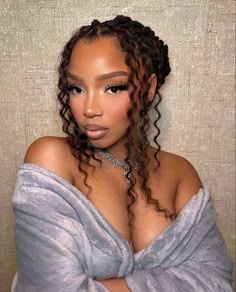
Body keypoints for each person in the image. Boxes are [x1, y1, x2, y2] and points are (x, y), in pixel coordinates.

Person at [12, 15, 233, 291]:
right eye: (76, 88)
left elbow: (216, 281)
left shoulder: (180, 173)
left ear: (149, 88)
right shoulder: (52, 158)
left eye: (113, 87)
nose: (89, 108)